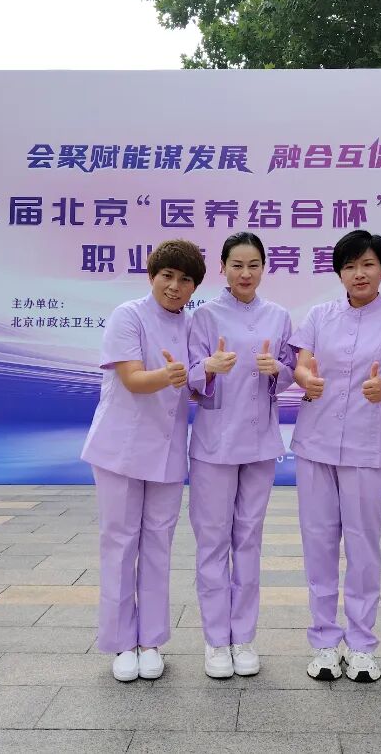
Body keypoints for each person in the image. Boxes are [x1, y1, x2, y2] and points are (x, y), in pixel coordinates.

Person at [289, 230, 381, 683]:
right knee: (318, 543)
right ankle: (324, 643)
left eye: (368, 265)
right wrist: (305, 378)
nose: (359, 274)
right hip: (316, 442)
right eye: (349, 266)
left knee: (364, 545)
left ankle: (363, 644)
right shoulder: (319, 316)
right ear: (339, 273)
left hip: (367, 446)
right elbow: (301, 364)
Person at [80, 239, 207, 682]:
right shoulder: (128, 315)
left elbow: (196, 383)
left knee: (157, 544)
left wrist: (210, 371)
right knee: (119, 542)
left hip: (167, 451)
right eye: (167, 276)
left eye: (185, 279)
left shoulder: (192, 324)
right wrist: (170, 375)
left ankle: (150, 641)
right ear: (151, 276)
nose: (175, 286)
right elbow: (133, 379)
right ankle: (121, 642)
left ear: (195, 287)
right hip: (120, 448)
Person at [186, 231, 296, 679]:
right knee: (213, 540)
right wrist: (207, 369)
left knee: (249, 539)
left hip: (260, 442)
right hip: (214, 443)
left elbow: (291, 372)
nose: (245, 273)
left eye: (253, 265)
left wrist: (279, 370)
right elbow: (191, 379)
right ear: (223, 268)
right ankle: (216, 640)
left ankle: (244, 637)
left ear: (264, 268)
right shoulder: (204, 316)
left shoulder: (279, 315)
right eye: (237, 265)